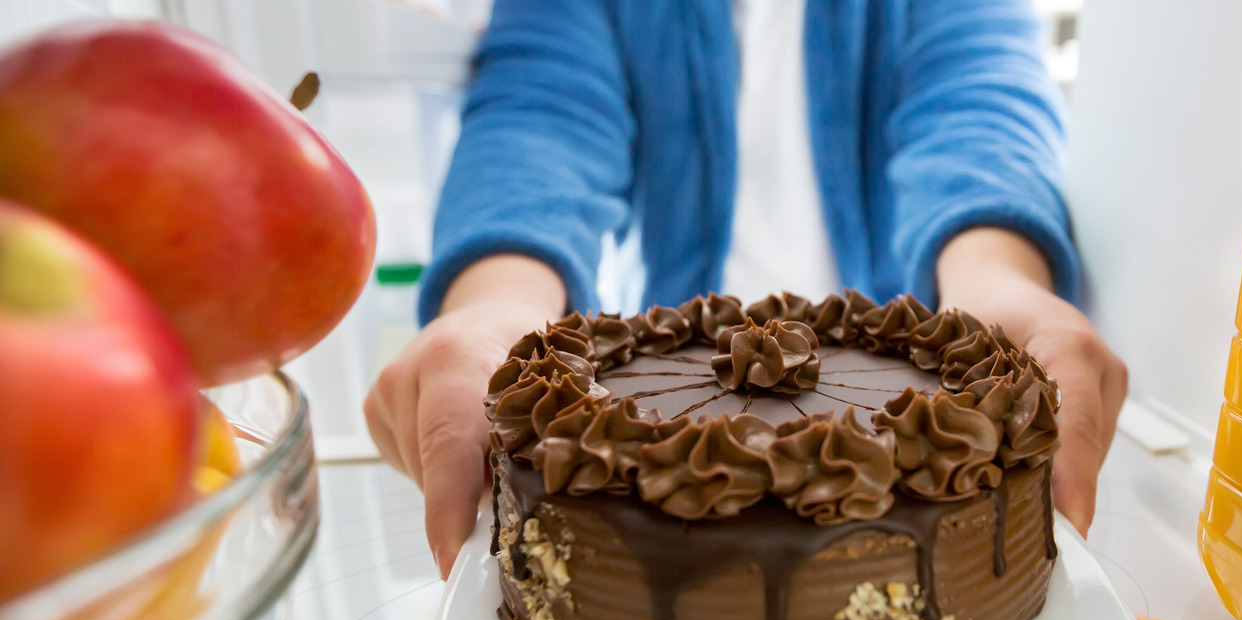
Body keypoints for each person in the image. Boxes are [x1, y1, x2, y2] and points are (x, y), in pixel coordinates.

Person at [366, 0, 1128, 582]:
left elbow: (977, 104)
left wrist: (997, 287)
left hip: (902, 454)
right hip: (665, 449)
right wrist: (493, 311)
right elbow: (540, 121)